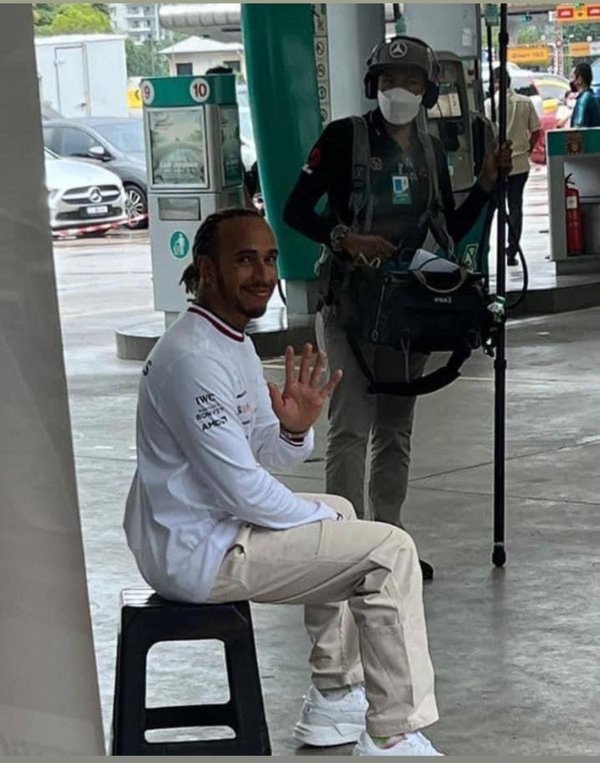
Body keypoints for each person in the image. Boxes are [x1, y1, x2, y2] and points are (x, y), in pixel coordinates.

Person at [124, 207, 445, 756]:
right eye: (244, 260)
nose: (263, 274)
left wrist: (295, 430)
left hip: (204, 529)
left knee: (341, 510)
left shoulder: (231, 343)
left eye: (269, 259)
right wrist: (318, 521)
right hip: (198, 552)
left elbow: (263, 454)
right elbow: (243, 491)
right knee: (389, 551)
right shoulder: (191, 359)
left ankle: (333, 697)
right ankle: (392, 733)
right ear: (206, 268)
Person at [283, 36, 511, 581]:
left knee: (396, 430)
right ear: (372, 87)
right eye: (388, 82)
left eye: (410, 83)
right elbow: (294, 210)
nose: (398, 92)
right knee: (351, 427)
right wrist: (345, 238)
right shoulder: (343, 139)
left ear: (428, 92)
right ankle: (344, 547)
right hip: (351, 308)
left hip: (408, 310)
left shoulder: (430, 150)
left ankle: (388, 540)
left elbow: (449, 229)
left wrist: (482, 188)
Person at [485, 67, 540, 266]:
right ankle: (512, 251)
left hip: (498, 166)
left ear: (497, 82)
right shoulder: (525, 103)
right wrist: (527, 150)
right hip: (520, 165)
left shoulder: (489, 105)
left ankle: (488, 248)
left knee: (493, 207)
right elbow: (536, 131)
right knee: (515, 207)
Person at [569, 63, 600, 128]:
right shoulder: (593, 97)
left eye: (572, 77)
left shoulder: (584, 100)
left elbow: (578, 129)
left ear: (579, 79)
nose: (571, 81)